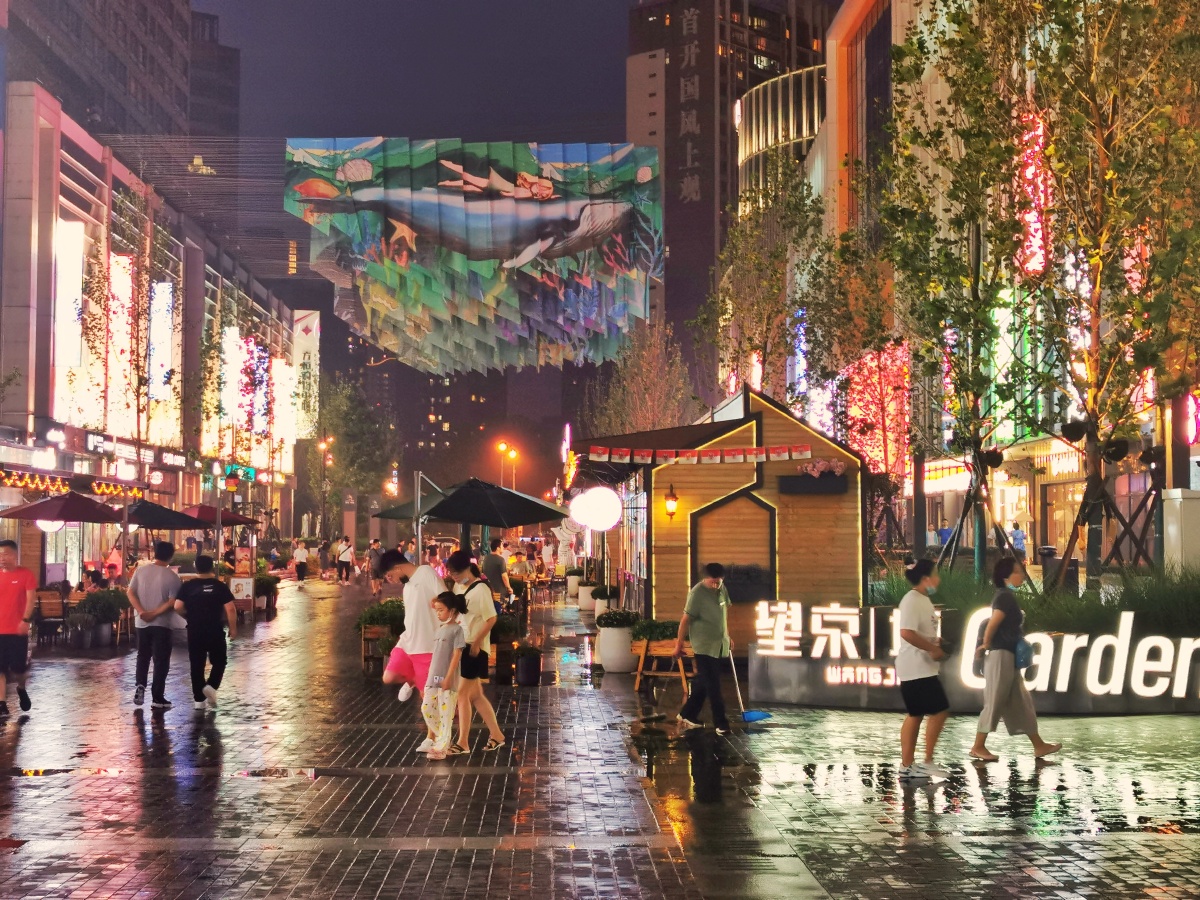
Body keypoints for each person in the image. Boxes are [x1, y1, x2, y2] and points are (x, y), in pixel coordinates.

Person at [970, 558, 1062, 762]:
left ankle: (1039, 745)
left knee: (1021, 702)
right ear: (1006, 577)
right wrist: (986, 644)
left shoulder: (1006, 596)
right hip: (1000, 654)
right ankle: (978, 746)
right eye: (1018, 572)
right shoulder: (1004, 598)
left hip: (1008, 655)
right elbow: (993, 623)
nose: (1022, 575)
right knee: (994, 701)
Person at [446, 550, 505, 754]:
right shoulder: (458, 587)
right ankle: (497, 735)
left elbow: (491, 618)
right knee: (476, 695)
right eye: (451, 573)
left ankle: (462, 742)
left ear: (467, 568)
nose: (453, 576)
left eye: (455, 572)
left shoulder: (481, 589)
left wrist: (478, 641)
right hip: (462, 645)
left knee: (462, 694)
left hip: (474, 647)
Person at [896, 559, 951, 780]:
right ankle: (924, 762)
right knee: (939, 710)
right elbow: (906, 632)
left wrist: (935, 640)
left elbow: (918, 631)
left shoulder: (922, 600)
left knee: (916, 714)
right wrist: (931, 649)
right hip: (916, 667)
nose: (938, 579)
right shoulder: (911, 600)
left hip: (921, 667)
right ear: (925, 579)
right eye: (935, 574)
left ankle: (908, 765)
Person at [674, 563, 732, 735]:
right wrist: (679, 644)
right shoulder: (697, 593)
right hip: (704, 645)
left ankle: (687, 714)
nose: (715, 585)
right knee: (713, 685)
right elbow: (685, 620)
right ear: (705, 578)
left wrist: (728, 636)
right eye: (712, 582)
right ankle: (721, 723)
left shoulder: (722, 589)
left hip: (719, 643)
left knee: (705, 683)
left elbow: (723, 615)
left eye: (718, 581)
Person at [173, 555, 238, 710]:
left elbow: (177, 607)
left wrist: (188, 616)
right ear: (211, 567)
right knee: (220, 661)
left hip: (195, 630)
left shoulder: (188, 586)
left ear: (196, 567)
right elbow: (230, 608)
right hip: (215, 629)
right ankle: (211, 685)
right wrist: (233, 628)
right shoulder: (219, 586)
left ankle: (199, 701)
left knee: (196, 664)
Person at [381, 550, 439, 710]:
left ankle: (434, 734)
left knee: (427, 698)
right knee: (388, 677)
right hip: (408, 640)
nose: (391, 580)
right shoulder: (407, 586)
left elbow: (445, 597)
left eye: (390, 576)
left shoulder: (426, 572)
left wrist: (437, 604)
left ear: (398, 568)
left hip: (427, 644)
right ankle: (412, 680)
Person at [128, 541, 184, 709]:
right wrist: (155, 613)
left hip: (141, 622)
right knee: (161, 660)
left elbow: (130, 592)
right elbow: (173, 602)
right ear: (170, 556)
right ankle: (157, 697)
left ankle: (140, 685)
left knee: (143, 655)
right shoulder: (172, 577)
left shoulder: (140, 570)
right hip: (162, 624)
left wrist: (142, 612)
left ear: (155, 553)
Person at [422, 591, 468, 759]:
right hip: (433, 677)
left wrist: (449, 677)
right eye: (437, 610)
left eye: (441, 610)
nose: (438, 613)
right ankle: (441, 738)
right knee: (426, 708)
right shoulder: (441, 629)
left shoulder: (457, 630)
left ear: (452, 610)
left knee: (446, 713)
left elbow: (457, 655)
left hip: (448, 679)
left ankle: (442, 746)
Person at [0, 539, 36, 717]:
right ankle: (2, 704)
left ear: (15, 555)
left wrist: (25, 619)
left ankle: (21, 688)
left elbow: (31, 600)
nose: (2, 558)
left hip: (17, 631)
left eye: (5, 554)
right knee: (0, 668)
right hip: (0, 631)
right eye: (0, 555)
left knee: (17, 670)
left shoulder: (26, 575)